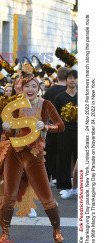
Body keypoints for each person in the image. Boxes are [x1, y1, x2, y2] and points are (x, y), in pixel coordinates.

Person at [0, 64, 66, 243]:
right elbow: (7, 136)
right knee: (9, 195)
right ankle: (5, 233)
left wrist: (45, 127)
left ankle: (57, 231)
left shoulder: (45, 105)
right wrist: (6, 130)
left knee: (46, 195)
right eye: (27, 86)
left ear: (39, 88)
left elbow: (60, 126)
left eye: (34, 86)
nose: (30, 89)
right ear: (21, 88)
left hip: (34, 154)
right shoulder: (13, 105)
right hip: (15, 153)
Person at [42, 67, 70, 186]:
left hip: (51, 124)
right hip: (66, 126)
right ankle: (61, 178)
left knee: (49, 151)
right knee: (63, 152)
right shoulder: (71, 90)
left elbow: (42, 105)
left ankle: (48, 178)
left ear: (57, 76)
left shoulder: (50, 90)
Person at [54, 70, 78, 199]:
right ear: (66, 80)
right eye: (70, 78)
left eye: (75, 78)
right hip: (64, 133)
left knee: (80, 159)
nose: (72, 80)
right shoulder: (60, 97)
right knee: (63, 158)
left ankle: (79, 185)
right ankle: (65, 186)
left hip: (80, 133)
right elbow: (54, 116)